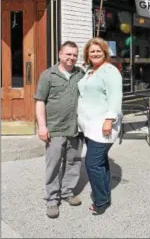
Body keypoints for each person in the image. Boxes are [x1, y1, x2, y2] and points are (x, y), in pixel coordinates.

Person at [35, 41, 84, 219]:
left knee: (74, 161)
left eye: (74, 55)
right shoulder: (48, 75)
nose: (71, 58)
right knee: (53, 164)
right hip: (55, 128)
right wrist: (42, 126)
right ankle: (52, 199)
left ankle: (67, 192)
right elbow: (40, 101)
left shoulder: (80, 73)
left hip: (76, 127)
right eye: (68, 54)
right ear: (59, 54)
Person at [77, 37, 123, 215]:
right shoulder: (89, 71)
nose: (95, 53)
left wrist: (109, 120)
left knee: (92, 164)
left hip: (103, 125)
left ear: (105, 53)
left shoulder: (110, 71)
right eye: (92, 51)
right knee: (101, 163)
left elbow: (115, 97)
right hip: (89, 126)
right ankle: (105, 195)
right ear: (87, 54)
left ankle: (101, 201)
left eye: (99, 51)